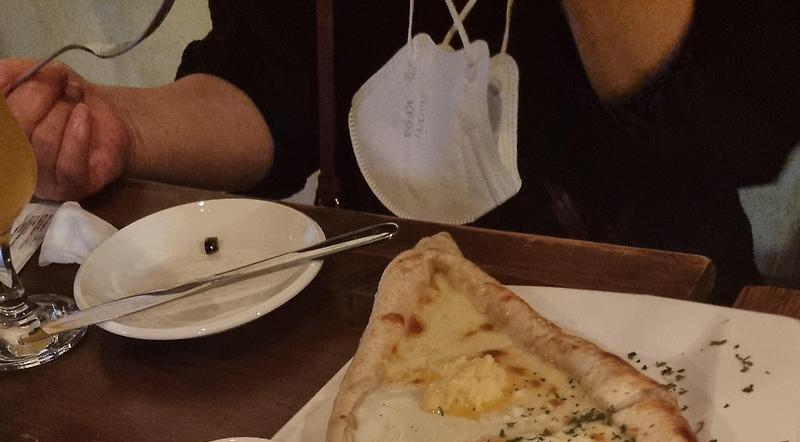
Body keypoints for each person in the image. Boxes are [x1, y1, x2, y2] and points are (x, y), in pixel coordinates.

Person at [2, 0, 799, 302]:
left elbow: (732, 130)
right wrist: (120, 129)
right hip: (388, 307)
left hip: (653, 306)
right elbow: (272, 85)